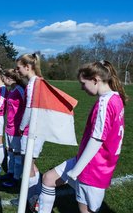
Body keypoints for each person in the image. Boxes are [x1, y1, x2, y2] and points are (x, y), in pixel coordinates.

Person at [38, 60, 126, 213]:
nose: (81, 87)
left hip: (93, 168)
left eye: (83, 83)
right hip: (89, 161)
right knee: (48, 179)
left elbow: (97, 140)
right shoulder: (116, 98)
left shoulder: (105, 103)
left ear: (95, 80)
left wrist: (76, 171)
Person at [13, 53, 45, 209]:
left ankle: (32, 200)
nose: (17, 71)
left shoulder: (34, 83)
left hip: (31, 131)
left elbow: (30, 108)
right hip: (35, 130)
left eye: (19, 68)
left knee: (28, 167)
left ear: (28, 67)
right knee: (31, 165)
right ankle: (35, 196)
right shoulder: (37, 81)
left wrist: (20, 127)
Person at [0, 69, 27, 187]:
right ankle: (10, 173)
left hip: (17, 128)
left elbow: (28, 108)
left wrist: (22, 126)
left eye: (4, 77)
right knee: (10, 151)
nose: (2, 79)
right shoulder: (12, 90)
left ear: (9, 78)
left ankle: (16, 178)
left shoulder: (20, 90)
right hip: (9, 126)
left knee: (16, 154)